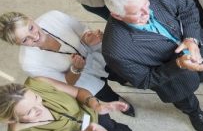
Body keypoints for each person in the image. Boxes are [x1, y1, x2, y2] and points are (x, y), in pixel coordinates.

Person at [101, 0, 203, 131]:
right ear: (117, 15)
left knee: (202, 63)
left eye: (146, 4)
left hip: (194, 45)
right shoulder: (115, 50)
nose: (147, 12)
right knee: (185, 99)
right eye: (137, 13)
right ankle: (194, 111)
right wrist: (179, 65)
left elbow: (187, 8)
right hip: (172, 80)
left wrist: (191, 37)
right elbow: (145, 80)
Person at [0, 10, 134, 116]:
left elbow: (82, 30)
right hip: (85, 80)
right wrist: (76, 69)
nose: (34, 36)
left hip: (99, 57)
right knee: (106, 93)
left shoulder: (53, 17)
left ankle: (125, 80)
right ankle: (120, 102)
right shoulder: (29, 64)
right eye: (25, 40)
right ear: (16, 44)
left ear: (30, 18)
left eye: (31, 28)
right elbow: (67, 83)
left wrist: (90, 37)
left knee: (118, 72)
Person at [0, 77, 149, 131]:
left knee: (113, 127)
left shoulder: (37, 83)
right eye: (30, 112)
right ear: (11, 119)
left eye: (37, 98)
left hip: (92, 113)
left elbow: (78, 92)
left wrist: (97, 105)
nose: (41, 107)